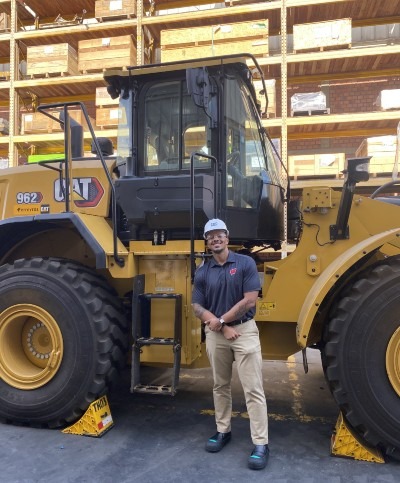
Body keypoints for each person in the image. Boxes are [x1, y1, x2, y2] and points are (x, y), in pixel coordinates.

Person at [192, 218, 269, 470]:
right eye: (211, 235)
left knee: (253, 389)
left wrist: (223, 320)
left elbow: (250, 300)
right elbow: (196, 306)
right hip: (217, 334)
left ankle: (260, 443)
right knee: (220, 386)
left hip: (244, 332)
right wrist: (220, 326)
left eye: (219, 234)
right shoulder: (203, 271)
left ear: (227, 237)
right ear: (207, 241)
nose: (216, 239)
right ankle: (223, 431)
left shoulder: (245, 263)